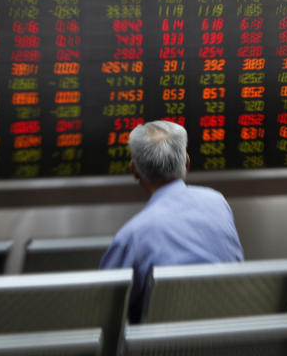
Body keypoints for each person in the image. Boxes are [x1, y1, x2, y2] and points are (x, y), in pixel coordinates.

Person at [100, 119, 244, 322]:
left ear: (134, 170)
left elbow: (104, 306)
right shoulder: (218, 203)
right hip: (227, 341)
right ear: (186, 162)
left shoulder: (132, 236)